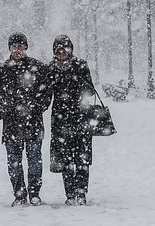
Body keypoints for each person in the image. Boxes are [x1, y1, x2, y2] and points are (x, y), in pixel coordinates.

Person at [0, 33, 51, 207]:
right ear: (9, 48)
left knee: (34, 160)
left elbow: (46, 91)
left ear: (26, 48)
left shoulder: (37, 67)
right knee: (14, 162)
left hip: (33, 122)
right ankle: (19, 194)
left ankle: (34, 193)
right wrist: (2, 110)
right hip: (11, 124)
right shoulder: (2, 69)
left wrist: (37, 107)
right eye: (14, 46)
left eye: (21, 47)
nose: (18, 50)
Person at [47, 34, 96, 206]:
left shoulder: (80, 65)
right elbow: (45, 93)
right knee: (65, 158)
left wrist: (79, 83)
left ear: (70, 49)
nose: (61, 53)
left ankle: (81, 192)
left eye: (64, 49)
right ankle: (69, 193)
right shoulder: (51, 68)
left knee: (82, 158)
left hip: (81, 116)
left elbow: (90, 90)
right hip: (61, 119)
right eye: (58, 50)